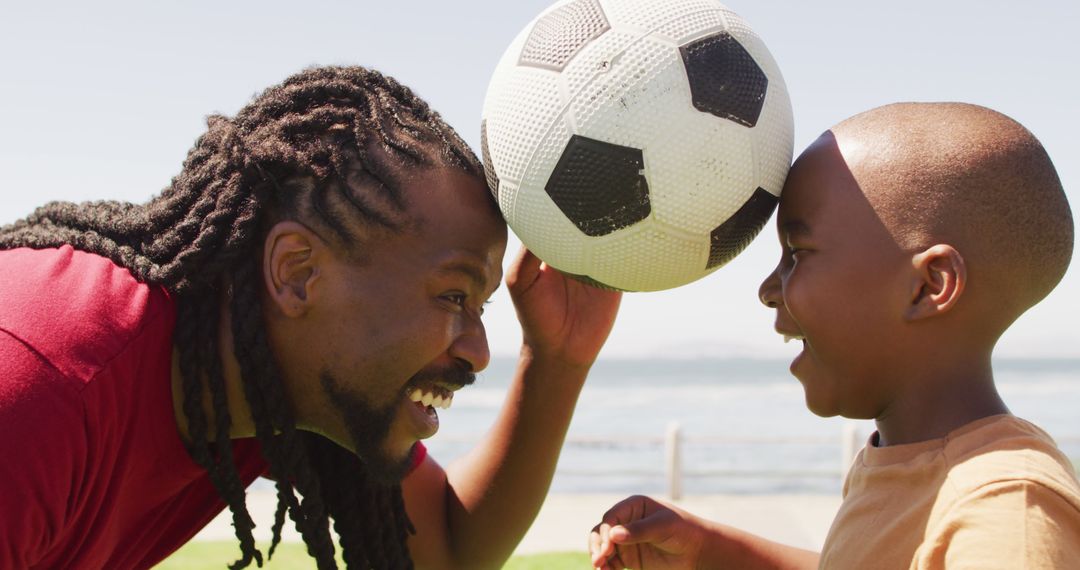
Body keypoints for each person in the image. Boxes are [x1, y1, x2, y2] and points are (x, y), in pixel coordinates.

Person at [0, 65, 621, 569]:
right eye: (453, 296)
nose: (479, 351)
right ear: (297, 273)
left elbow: (443, 551)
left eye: (480, 307)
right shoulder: (40, 385)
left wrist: (559, 357)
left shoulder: (276, 372)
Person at [588, 102, 1080, 569]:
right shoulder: (908, 459)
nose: (765, 290)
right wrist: (709, 551)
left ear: (929, 286)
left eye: (797, 254)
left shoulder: (1004, 509)